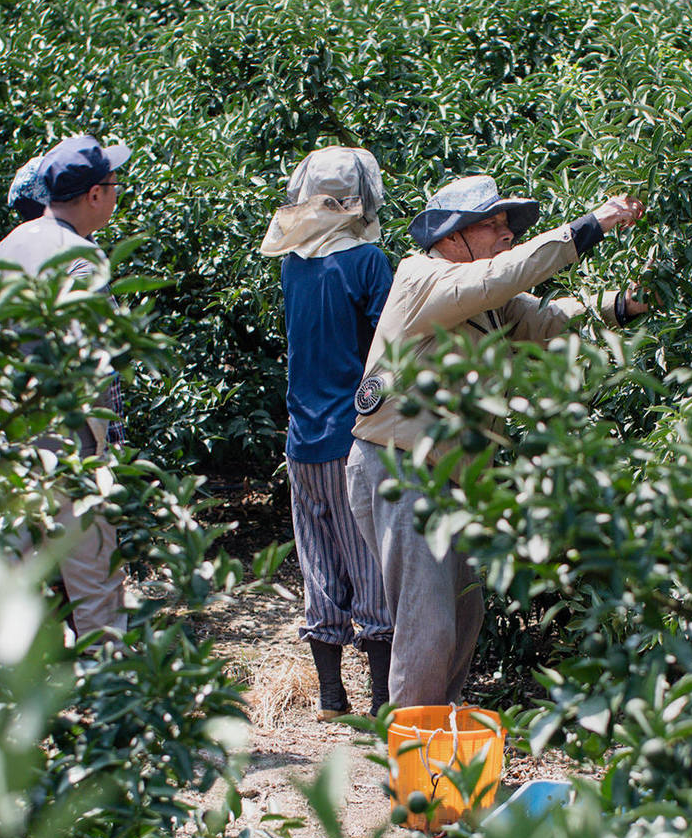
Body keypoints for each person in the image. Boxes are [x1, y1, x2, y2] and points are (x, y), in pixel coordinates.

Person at [345, 175, 646, 708]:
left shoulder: (489, 302)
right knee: (428, 624)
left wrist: (623, 303)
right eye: (494, 223)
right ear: (452, 235)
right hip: (399, 467)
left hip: (453, 479)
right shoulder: (423, 276)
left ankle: (439, 751)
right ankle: (412, 767)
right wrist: (591, 225)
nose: (507, 234)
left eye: (510, 226)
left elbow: (550, 319)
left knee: (461, 619)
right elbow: (504, 275)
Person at [0, 134, 133, 644]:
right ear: (96, 194)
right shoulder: (82, 258)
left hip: (10, 451)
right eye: (115, 183)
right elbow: (92, 365)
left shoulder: (15, 240)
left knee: (6, 592)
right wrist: (104, 454)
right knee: (98, 596)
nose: (119, 192)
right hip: (70, 459)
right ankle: (112, 711)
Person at [260, 146, 396, 719]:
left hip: (301, 438)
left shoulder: (293, 263)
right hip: (353, 436)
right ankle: (383, 700)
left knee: (316, 559)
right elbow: (392, 348)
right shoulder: (367, 261)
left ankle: (330, 695)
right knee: (369, 561)